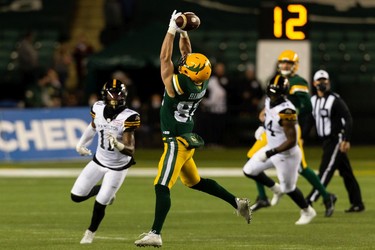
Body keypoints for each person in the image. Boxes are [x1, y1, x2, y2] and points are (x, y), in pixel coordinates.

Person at [134, 10, 251, 248]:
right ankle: (237, 203)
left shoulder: (176, 86)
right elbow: (187, 54)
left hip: (176, 140)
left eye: (186, 66)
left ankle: (155, 233)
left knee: (162, 185)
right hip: (187, 137)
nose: (183, 63)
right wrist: (184, 31)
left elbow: (165, 59)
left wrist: (170, 29)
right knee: (194, 182)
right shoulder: (203, 81)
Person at [248, 50, 337, 217]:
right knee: (252, 158)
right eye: (283, 62)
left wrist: (287, 113)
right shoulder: (277, 80)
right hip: (272, 130)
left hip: (288, 131)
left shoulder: (297, 81)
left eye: (289, 63)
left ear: (295, 65)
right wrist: (265, 113)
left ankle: (327, 196)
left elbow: (307, 107)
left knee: (302, 168)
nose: (285, 65)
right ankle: (262, 197)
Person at [71, 79, 140, 244]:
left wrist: (117, 144)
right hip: (99, 160)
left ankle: (90, 233)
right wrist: (81, 144)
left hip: (118, 167)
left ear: (124, 95)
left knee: (100, 203)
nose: (115, 97)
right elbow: (93, 127)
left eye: (118, 93)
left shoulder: (129, 116)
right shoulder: (98, 108)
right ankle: (105, 190)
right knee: (76, 196)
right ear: (105, 95)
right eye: (112, 94)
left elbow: (130, 150)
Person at [243, 74, 317, 225]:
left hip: (286, 154)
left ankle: (307, 210)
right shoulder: (270, 99)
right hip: (271, 147)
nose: (272, 96)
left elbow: (292, 141)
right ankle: (275, 189)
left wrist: (269, 152)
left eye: (275, 94)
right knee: (249, 170)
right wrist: (262, 127)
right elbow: (266, 115)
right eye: (270, 92)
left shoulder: (287, 111)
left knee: (289, 188)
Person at [304, 70, 365, 212]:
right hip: (325, 142)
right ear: (314, 83)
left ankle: (310, 199)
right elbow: (309, 121)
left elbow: (348, 118)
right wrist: (301, 138)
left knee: (325, 170)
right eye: (319, 80)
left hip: (335, 140)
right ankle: (357, 203)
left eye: (325, 80)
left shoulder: (335, 100)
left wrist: (346, 140)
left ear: (329, 82)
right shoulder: (312, 101)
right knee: (346, 172)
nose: (322, 83)